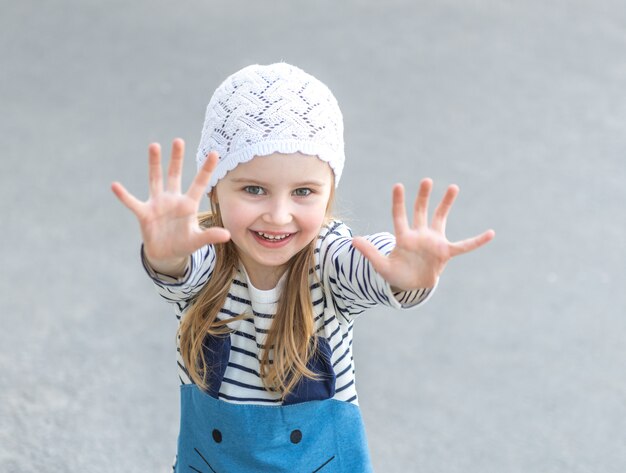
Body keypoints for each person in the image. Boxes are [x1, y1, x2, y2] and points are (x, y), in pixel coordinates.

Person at [111, 63, 494, 472]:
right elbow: (177, 270)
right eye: (254, 189)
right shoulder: (206, 253)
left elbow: (365, 260)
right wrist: (165, 253)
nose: (278, 215)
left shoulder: (328, 261)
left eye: (303, 192)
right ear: (215, 189)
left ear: (329, 194)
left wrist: (404, 271)